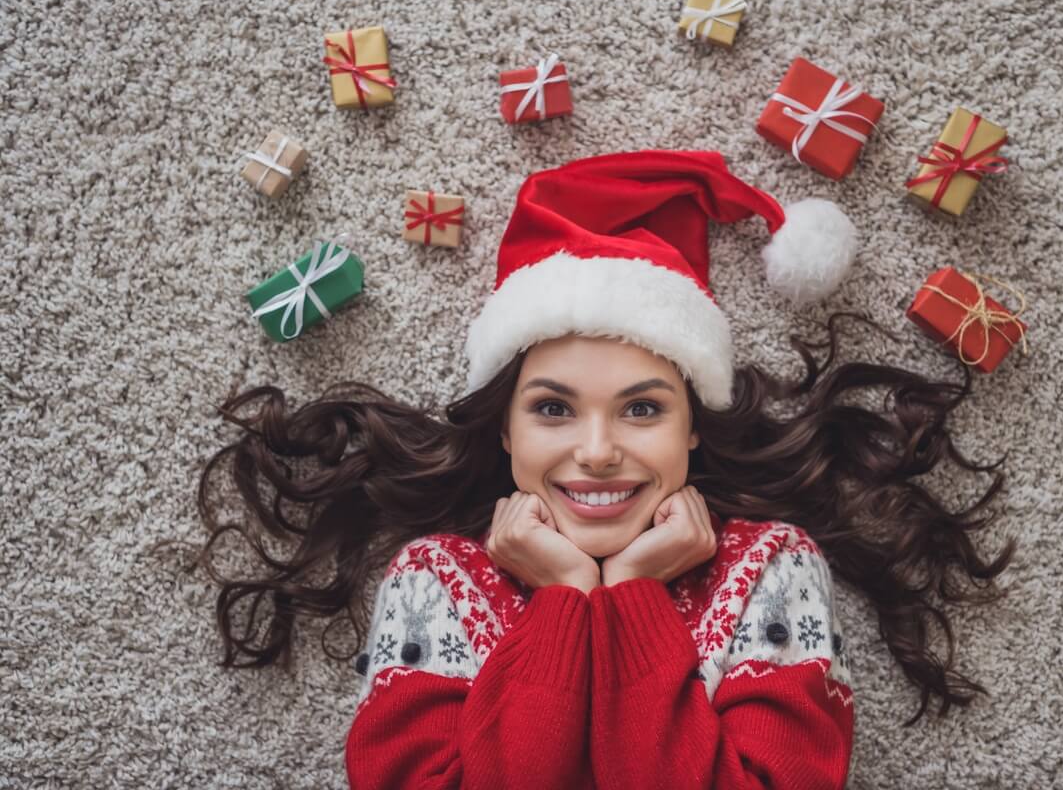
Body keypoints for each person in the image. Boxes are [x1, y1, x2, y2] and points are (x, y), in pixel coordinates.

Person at [184, 150, 1016, 789]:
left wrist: (631, 600)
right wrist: (564, 603)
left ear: (693, 431)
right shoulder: (435, 578)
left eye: (643, 409)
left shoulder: (772, 564)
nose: (596, 450)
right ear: (505, 435)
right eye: (551, 408)